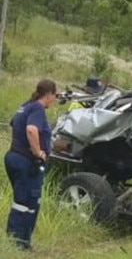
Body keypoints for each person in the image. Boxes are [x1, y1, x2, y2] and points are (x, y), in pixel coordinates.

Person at [4, 79, 57, 250]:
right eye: (54, 96)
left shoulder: (26, 105)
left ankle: (15, 239)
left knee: (21, 200)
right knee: (29, 202)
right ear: (49, 95)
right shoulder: (37, 108)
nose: (54, 100)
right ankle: (20, 243)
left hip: (13, 156)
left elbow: (14, 123)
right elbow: (31, 130)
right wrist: (38, 152)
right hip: (26, 161)